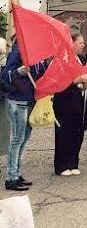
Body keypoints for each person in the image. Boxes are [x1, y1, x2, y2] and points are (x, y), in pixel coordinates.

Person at [1, 41, 47, 191]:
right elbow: (5, 75)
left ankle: (17, 173)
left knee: (24, 139)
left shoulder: (36, 55)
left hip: (29, 101)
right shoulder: (18, 51)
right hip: (17, 101)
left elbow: (41, 74)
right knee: (17, 139)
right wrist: (18, 72)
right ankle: (11, 177)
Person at [53, 33, 87, 176]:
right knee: (64, 133)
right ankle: (61, 166)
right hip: (64, 102)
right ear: (72, 43)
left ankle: (73, 162)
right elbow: (58, 82)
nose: (83, 45)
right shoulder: (62, 60)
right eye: (80, 42)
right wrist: (76, 81)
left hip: (78, 102)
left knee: (77, 133)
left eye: (83, 43)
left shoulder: (82, 60)